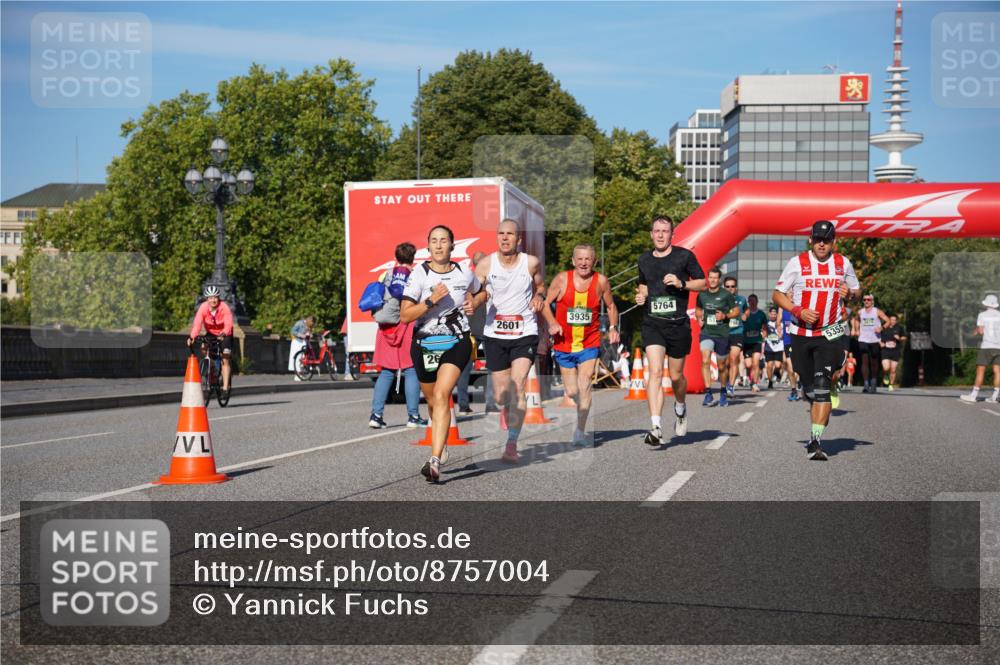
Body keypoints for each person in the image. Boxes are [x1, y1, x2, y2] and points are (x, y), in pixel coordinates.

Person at [401, 225, 484, 483]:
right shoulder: (419, 274)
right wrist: (430, 300)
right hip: (425, 344)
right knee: (432, 402)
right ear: (428, 247)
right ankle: (441, 442)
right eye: (434, 241)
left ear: (452, 246)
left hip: (456, 341)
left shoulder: (463, 272)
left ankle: (434, 461)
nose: (438, 245)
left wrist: (475, 302)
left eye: (443, 240)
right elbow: (405, 315)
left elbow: (482, 290)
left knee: (442, 395)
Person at [773, 220, 860, 461]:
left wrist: (850, 293)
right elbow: (777, 294)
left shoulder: (843, 264)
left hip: (830, 334)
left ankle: (815, 441)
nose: (822, 243)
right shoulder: (797, 263)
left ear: (834, 241)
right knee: (809, 388)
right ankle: (816, 392)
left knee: (821, 386)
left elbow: (857, 290)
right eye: (818, 239)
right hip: (801, 335)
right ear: (810, 240)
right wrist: (798, 310)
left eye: (827, 239)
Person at [475, 219, 546, 464]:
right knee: (500, 396)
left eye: (510, 234)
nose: (505, 238)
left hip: (524, 331)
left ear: (518, 239)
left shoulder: (531, 263)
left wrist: (539, 296)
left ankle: (512, 444)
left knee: (518, 385)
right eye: (501, 234)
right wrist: (474, 300)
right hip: (495, 334)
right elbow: (476, 292)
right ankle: (507, 410)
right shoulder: (485, 264)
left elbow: (541, 286)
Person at [635, 215, 707, 445]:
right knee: (655, 372)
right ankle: (656, 427)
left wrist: (681, 284)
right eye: (656, 231)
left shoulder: (684, 256)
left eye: (665, 231)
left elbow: (703, 282)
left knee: (676, 376)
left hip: (677, 324)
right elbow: (644, 285)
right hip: (652, 322)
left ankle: (681, 407)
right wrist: (641, 295)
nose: (660, 235)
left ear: (672, 235)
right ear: (651, 233)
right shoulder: (644, 259)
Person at [542, 243, 620, 447]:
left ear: (594, 261)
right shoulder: (562, 279)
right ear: (573, 261)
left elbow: (611, 306)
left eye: (588, 259)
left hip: (589, 342)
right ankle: (580, 408)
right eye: (580, 259)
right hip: (563, 343)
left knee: (585, 382)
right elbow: (544, 305)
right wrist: (552, 323)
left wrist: (612, 327)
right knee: (572, 391)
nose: (584, 263)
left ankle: (579, 431)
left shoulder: (600, 281)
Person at [369, 242, 428, 429]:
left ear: (396, 257)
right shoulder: (414, 276)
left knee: (386, 372)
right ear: (413, 257)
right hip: (405, 327)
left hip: (386, 328)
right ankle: (413, 416)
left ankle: (376, 415)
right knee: (411, 370)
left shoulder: (385, 275)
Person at [696, 267, 738, 407]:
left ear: (719, 280)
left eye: (715, 278)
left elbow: (736, 311)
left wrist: (725, 316)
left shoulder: (726, 295)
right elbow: (698, 309)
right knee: (705, 359)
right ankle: (708, 393)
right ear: (708, 278)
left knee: (721, 366)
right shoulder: (702, 294)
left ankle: (723, 391)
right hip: (707, 332)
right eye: (711, 277)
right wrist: (698, 318)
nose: (713, 280)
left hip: (722, 334)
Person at [454, 251, 487, 414]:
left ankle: (463, 405)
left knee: (465, 368)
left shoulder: (468, 281)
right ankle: (492, 404)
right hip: (487, 328)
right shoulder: (490, 280)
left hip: (472, 328)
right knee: (494, 367)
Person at [188, 285, 234, 395]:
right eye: (210, 298)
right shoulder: (203, 308)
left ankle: (225, 388)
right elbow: (197, 324)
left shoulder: (224, 307)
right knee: (203, 347)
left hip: (225, 333)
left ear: (218, 298)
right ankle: (211, 369)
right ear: (207, 299)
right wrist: (192, 337)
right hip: (211, 333)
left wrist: (223, 333)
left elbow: (228, 324)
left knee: (225, 358)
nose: (213, 300)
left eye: (215, 297)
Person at [960, 294, 1000, 403]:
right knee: (997, 371)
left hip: (987, 346)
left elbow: (981, 331)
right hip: (999, 347)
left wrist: (977, 331)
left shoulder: (982, 315)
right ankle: (995, 396)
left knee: (980, 370)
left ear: (986, 304)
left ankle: (973, 395)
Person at [854, 295, 889, 393]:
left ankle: (873, 383)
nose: (866, 301)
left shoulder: (877, 311)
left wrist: (881, 328)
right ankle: (866, 384)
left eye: (868, 300)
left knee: (874, 362)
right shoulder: (860, 312)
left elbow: (888, 321)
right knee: (864, 361)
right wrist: (856, 330)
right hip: (863, 339)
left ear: (872, 301)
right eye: (864, 299)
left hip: (875, 340)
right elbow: (856, 320)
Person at [724, 277, 748, 397]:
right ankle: (726, 381)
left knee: (734, 358)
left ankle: (731, 387)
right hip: (723, 333)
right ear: (724, 287)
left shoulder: (741, 299)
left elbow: (747, 310)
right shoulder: (720, 300)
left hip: (737, 332)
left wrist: (745, 314)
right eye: (727, 286)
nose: (730, 289)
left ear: (736, 288)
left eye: (732, 286)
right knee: (725, 362)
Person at [742, 294, 768, 393]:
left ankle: (755, 383)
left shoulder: (761, 314)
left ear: (757, 302)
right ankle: (750, 380)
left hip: (757, 341)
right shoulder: (745, 314)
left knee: (756, 363)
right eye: (750, 301)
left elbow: (765, 326)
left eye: (753, 301)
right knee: (748, 365)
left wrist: (765, 335)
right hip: (746, 341)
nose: (751, 302)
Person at [879, 314, 907, 391]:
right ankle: (886, 375)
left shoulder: (899, 328)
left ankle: (891, 384)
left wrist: (900, 338)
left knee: (893, 369)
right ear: (889, 320)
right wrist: (880, 343)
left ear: (896, 321)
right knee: (886, 368)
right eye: (891, 320)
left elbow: (905, 337)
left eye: (894, 320)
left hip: (895, 351)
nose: (893, 321)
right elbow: (877, 336)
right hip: (885, 350)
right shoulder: (884, 327)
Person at [763, 306, 786, 390]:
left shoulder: (781, 323)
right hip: (769, 348)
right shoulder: (766, 323)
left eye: (775, 314)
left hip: (779, 347)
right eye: (771, 314)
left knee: (778, 365)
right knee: (769, 365)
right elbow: (764, 332)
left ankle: (777, 373)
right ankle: (770, 381)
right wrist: (764, 336)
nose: (773, 315)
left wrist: (781, 335)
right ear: (769, 314)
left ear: (777, 314)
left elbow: (784, 333)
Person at [781, 307, 800, 400]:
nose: (791, 292)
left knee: (799, 368)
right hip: (788, 342)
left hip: (800, 341)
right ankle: (794, 390)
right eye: (789, 291)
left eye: (793, 291)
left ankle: (800, 383)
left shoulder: (801, 305)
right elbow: (778, 323)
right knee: (791, 369)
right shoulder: (783, 308)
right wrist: (779, 328)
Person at [289, 315, 315, 380]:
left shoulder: (308, 325)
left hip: (304, 342)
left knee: (303, 358)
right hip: (297, 342)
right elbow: (293, 331)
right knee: (298, 358)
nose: (312, 324)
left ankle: (301, 374)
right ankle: (297, 375)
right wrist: (301, 335)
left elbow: (308, 333)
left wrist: (310, 334)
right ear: (309, 321)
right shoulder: (299, 323)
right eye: (312, 323)